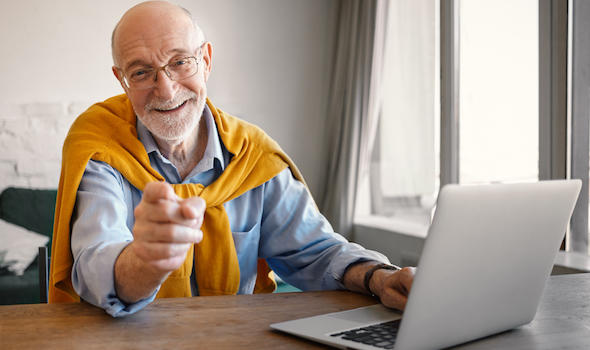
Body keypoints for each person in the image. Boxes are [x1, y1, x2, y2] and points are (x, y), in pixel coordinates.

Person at [49, 1, 414, 317]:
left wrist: (379, 278)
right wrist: (143, 261)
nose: (166, 88)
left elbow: (315, 252)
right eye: (141, 72)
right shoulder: (99, 144)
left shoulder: (253, 154)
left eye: (180, 62)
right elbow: (93, 263)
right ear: (122, 80)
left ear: (205, 60)